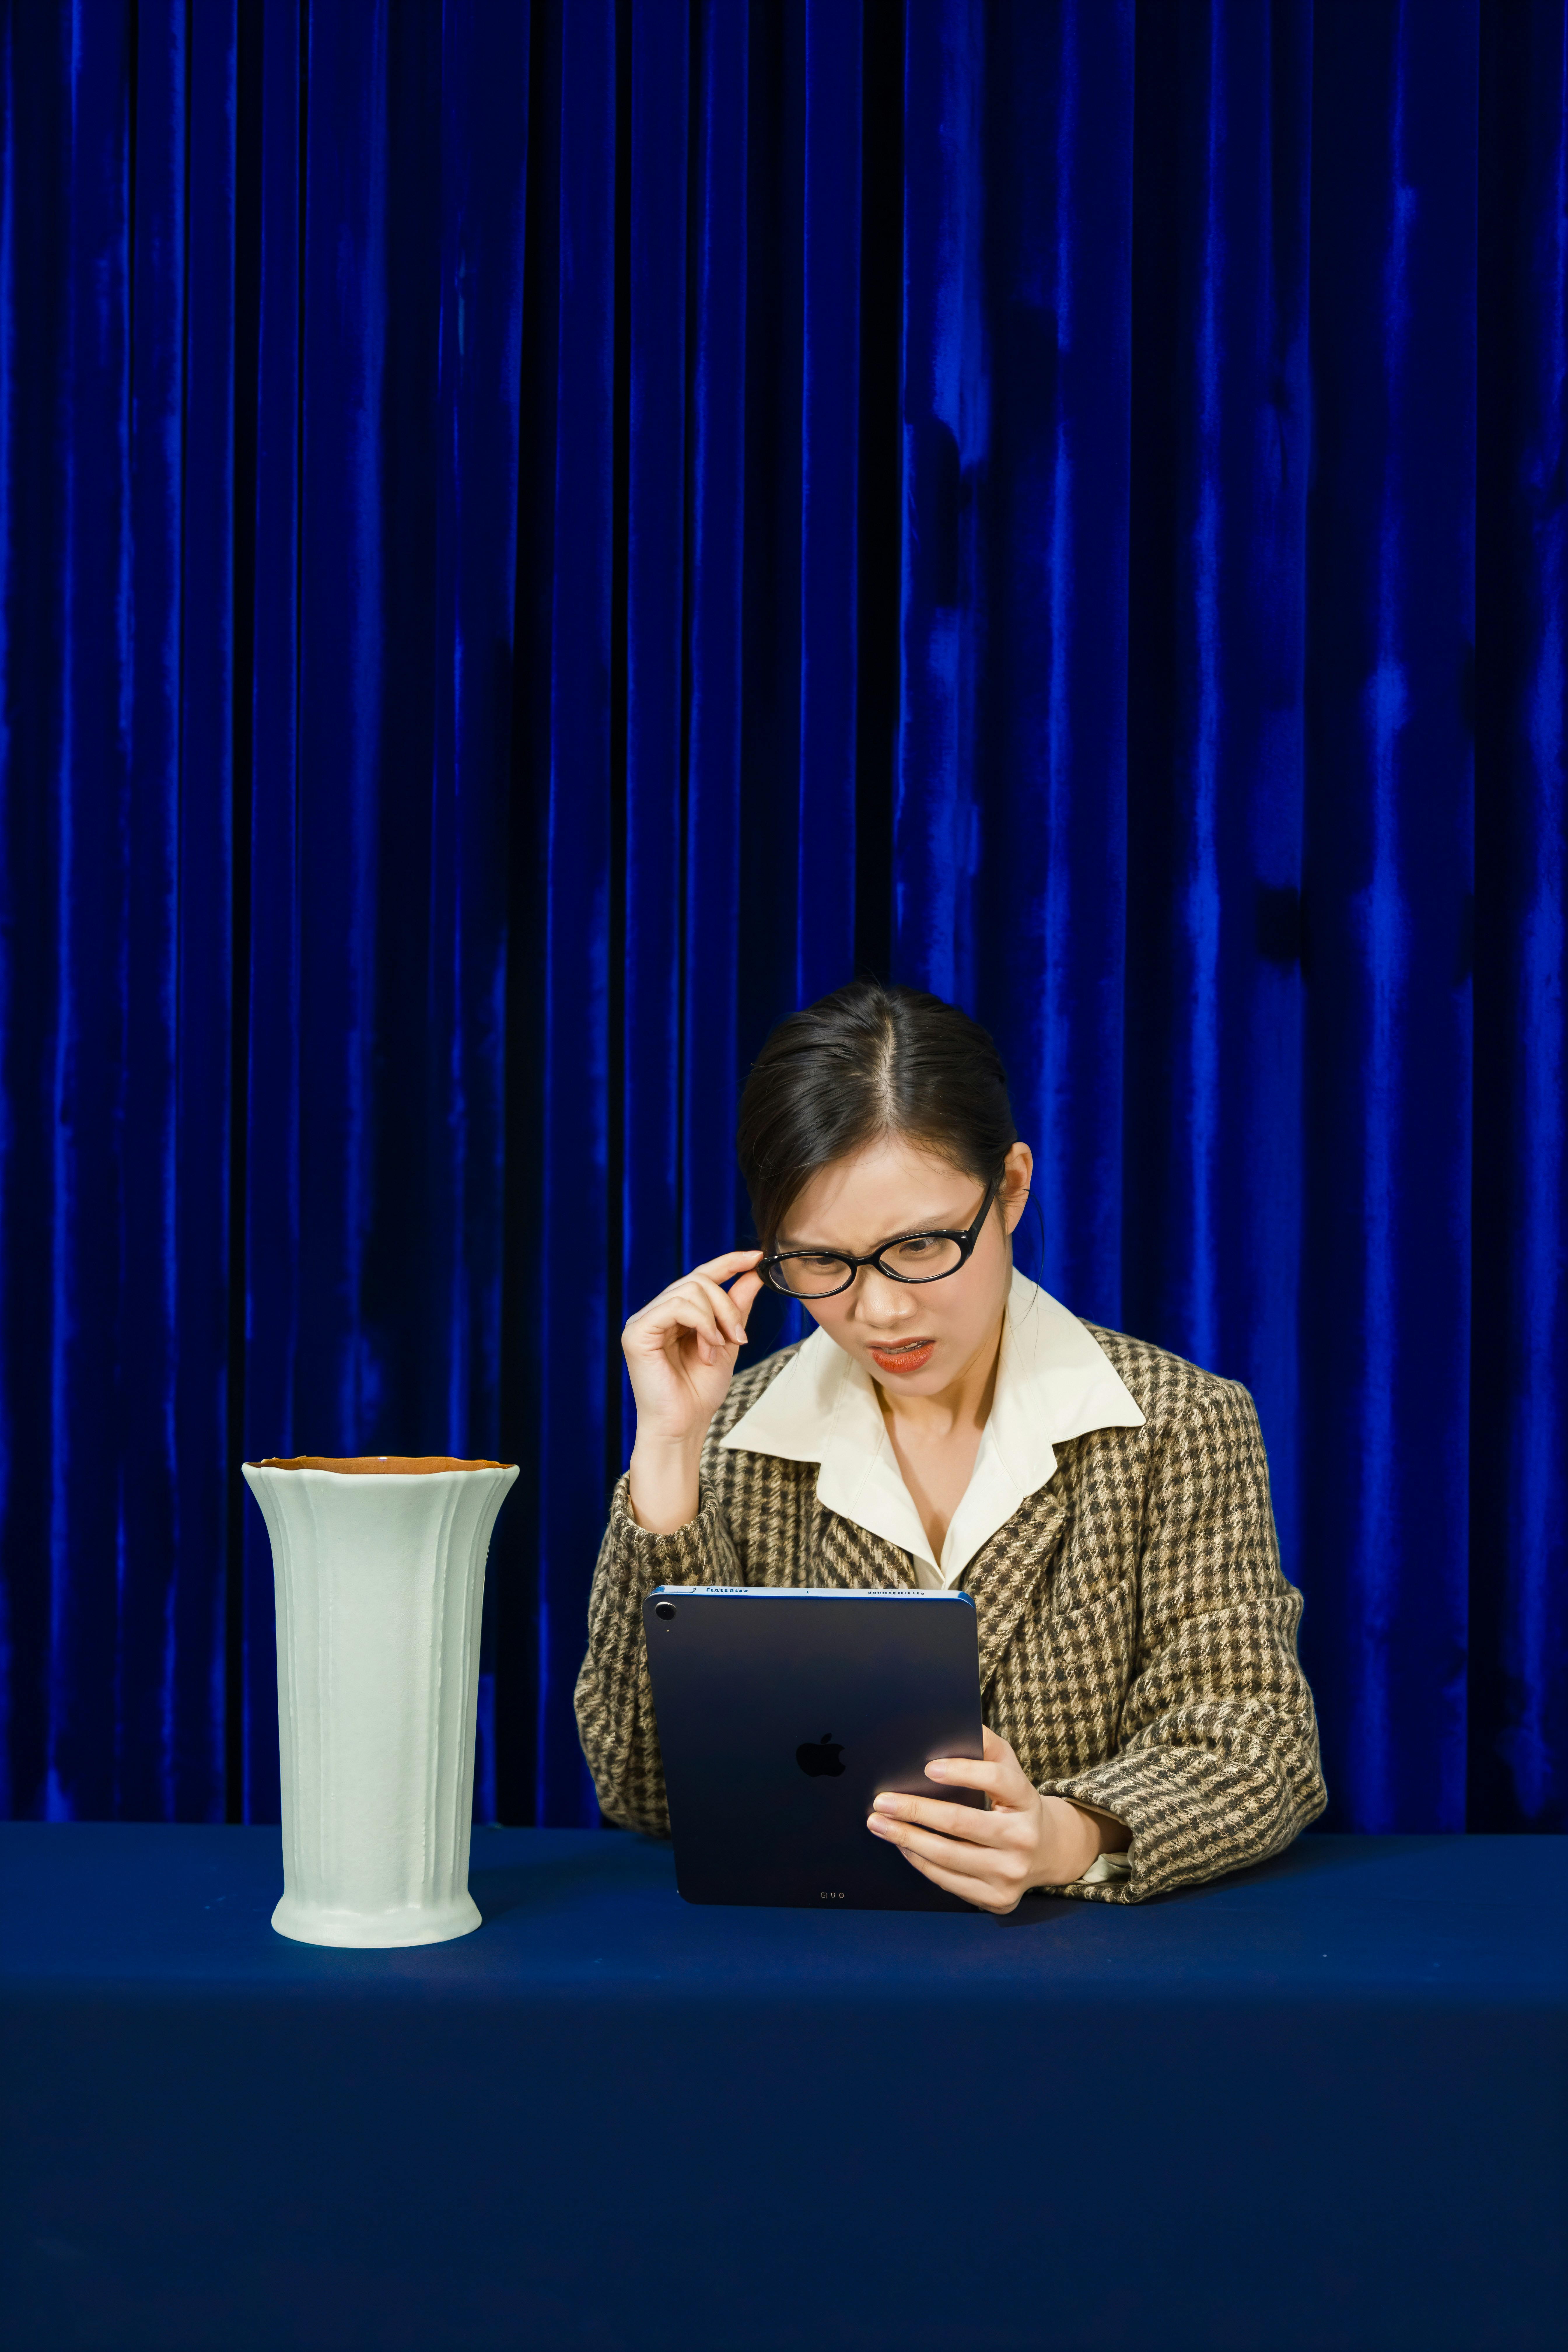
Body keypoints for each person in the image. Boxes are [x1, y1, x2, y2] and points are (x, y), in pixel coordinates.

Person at [575, 981, 1326, 1911]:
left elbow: (1256, 1744)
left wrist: (1066, 1834)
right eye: (821, 1263)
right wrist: (669, 1451)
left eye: (923, 1246)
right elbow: (643, 1791)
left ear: (1009, 1190)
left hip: (1070, 1984)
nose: (881, 1310)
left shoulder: (1178, 1424)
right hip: (804, 1983)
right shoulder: (728, 1439)